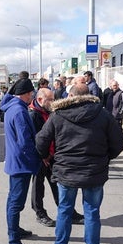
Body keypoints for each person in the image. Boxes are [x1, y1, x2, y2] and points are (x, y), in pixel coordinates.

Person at [35, 84, 123, 244]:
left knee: (64, 210)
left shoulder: (58, 114)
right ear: (89, 95)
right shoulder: (102, 114)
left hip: (66, 171)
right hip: (93, 172)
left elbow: (41, 140)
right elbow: (118, 143)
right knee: (92, 212)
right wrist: (105, 157)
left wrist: (46, 156)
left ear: (70, 95)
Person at [29, 88, 84, 227]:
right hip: (40, 157)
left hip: (53, 155)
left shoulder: (50, 111)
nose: (53, 102)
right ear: (40, 99)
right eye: (51, 99)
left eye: (54, 98)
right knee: (38, 186)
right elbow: (35, 139)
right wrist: (43, 156)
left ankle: (68, 211)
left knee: (58, 185)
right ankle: (40, 213)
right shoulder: (33, 114)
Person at [0, 78, 42, 244]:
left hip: (16, 162)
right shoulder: (19, 111)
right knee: (16, 202)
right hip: (22, 164)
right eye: (31, 93)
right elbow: (26, 142)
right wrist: (39, 159)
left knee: (14, 200)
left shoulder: (12, 107)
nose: (32, 95)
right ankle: (14, 241)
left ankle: (15, 229)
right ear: (25, 94)